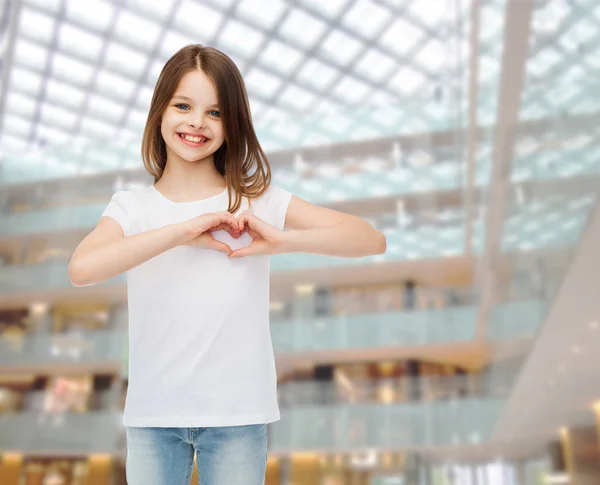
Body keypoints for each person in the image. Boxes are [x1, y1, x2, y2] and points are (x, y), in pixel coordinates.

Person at [68, 44, 386, 485]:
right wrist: (182, 230)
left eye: (214, 113)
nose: (196, 122)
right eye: (183, 105)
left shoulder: (256, 199)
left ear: (231, 125)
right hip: (153, 415)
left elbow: (370, 239)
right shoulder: (131, 206)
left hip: (238, 414)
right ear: (160, 111)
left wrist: (282, 239)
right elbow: (82, 269)